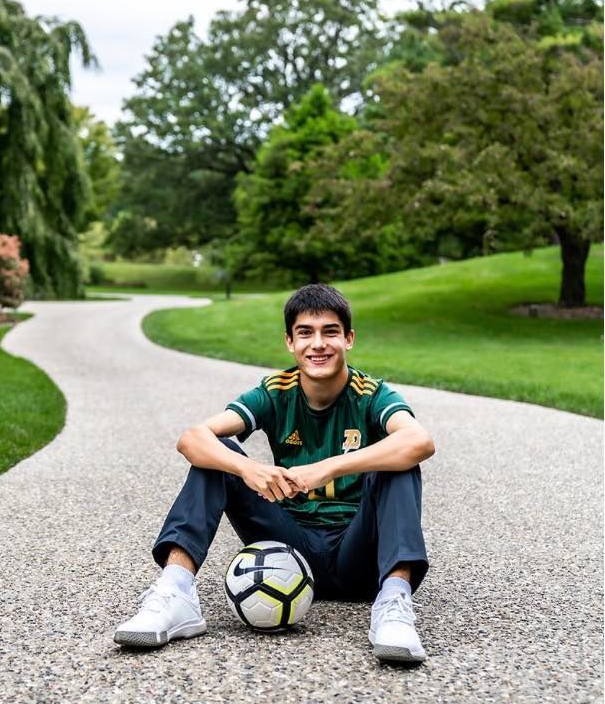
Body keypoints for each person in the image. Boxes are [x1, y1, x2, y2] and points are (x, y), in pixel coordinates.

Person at [114, 283, 434, 663]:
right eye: (305, 333)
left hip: (359, 553)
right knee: (217, 455)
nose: (318, 344)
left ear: (349, 339)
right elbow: (192, 438)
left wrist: (326, 467)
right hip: (289, 547)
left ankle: (394, 604)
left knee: (398, 462)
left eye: (330, 332)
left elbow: (420, 441)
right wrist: (247, 468)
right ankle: (175, 592)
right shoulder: (275, 391)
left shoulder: (372, 394)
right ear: (289, 342)